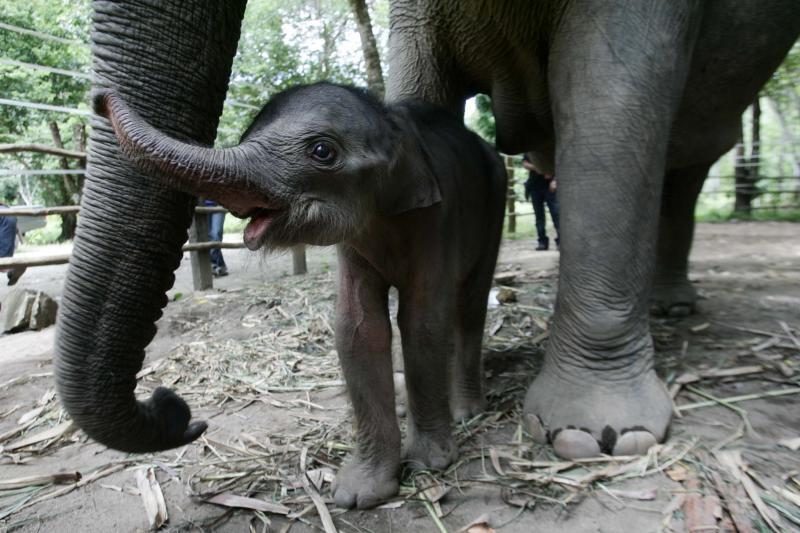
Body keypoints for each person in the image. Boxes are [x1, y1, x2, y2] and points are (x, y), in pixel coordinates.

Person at [522, 153, 560, 251]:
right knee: (539, 217)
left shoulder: (550, 148)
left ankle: (561, 241)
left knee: (556, 214)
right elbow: (525, 164)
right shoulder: (530, 150)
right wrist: (540, 169)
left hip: (550, 187)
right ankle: (542, 242)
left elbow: (559, 163)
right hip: (535, 187)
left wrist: (555, 180)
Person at [0, 202, 26, 285]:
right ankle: (12, 268)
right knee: (4, 258)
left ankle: (11, 268)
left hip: (5, 218)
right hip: (9, 214)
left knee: (2, 260)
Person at [204, 199, 228, 277]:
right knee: (208, 236)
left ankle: (213, 264)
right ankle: (220, 265)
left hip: (219, 204)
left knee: (216, 234)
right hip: (203, 206)